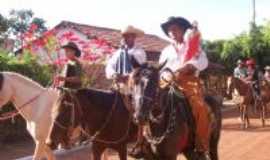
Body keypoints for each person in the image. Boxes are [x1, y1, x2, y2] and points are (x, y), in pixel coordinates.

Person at [159, 16, 211, 158]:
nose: (172, 32)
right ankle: (144, 141)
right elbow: (161, 69)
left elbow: (203, 61)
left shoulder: (193, 45)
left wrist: (190, 65)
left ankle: (201, 145)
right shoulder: (165, 51)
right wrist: (164, 77)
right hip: (167, 81)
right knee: (148, 103)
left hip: (188, 81)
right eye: (169, 31)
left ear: (182, 30)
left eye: (175, 29)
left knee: (199, 106)